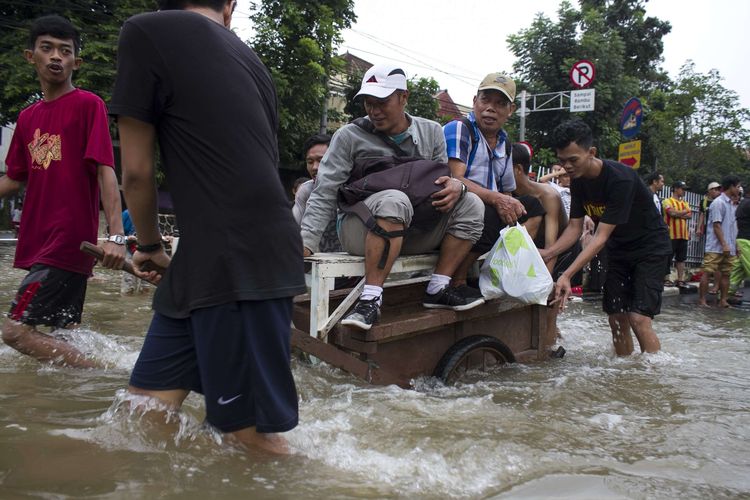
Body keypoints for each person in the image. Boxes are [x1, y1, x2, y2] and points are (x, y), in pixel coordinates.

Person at [110, 0, 305, 454]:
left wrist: (148, 244)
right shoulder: (251, 60)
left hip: (237, 255)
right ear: (231, 7)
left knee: (244, 434)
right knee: (145, 410)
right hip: (219, 253)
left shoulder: (145, 32)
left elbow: (136, 171)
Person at [301, 63, 486, 331]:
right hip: (360, 230)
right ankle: (370, 300)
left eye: (382, 102)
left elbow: (440, 180)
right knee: (394, 200)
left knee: (471, 202)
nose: (374, 111)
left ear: (403, 97)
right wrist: (306, 242)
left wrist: (456, 186)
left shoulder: (431, 131)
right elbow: (324, 190)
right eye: (368, 103)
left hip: (412, 229)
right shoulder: (348, 136)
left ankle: (438, 288)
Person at [0, 15, 125, 368]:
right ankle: (76, 401)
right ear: (31, 56)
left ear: (76, 62)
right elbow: (14, 178)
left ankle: (107, 375)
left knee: (15, 331)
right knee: (62, 336)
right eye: (47, 48)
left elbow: (106, 170)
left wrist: (116, 236)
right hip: (40, 242)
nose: (56, 56)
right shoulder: (27, 119)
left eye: (65, 51)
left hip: (67, 241)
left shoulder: (88, 105)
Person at [539, 120, 671, 356]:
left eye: (573, 160)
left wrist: (567, 274)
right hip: (619, 250)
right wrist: (549, 253)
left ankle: (651, 381)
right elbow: (574, 227)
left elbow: (600, 237)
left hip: (650, 249)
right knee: (616, 318)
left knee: (638, 318)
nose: (566, 167)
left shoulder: (621, 179)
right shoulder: (579, 181)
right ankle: (624, 372)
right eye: (562, 161)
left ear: (591, 153)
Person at [442, 72, 526, 289]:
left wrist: (510, 207)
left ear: (511, 110)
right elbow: (455, 178)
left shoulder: (504, 142)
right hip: (453, 205)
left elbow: (507, 189)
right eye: (485, 100)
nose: (490, 108)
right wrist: (498, 201)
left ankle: (496, 271)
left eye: (500, 103)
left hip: (484, 204)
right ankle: (456, 279)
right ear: (474, 102)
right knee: (488, 214)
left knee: (532, 209)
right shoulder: (460, 128)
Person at [511, 143, 579, 351]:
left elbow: (552, 247)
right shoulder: (507, 192)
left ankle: (547, 355)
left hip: (562, 249)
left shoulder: (548, 196)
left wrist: (545, 286)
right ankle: (554, 336)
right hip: (537, 249)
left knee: (549, 305)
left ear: (517, 170)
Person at [292, 134, 341, 252]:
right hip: (315, 263)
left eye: (321, 160)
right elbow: (291, 230)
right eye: (310, 161)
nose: (315, 167)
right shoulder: (305, 191)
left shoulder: (353, 189)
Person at [698, 175, 741, 307]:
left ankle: (723, 300)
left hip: (730, 246)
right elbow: (716, 225)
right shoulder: (718, 203)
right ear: (731, 187)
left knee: (726, 274)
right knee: (707, 271)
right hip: (716, 246)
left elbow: (734, 227)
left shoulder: (733, 205)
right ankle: (702, 300)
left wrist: (736, 245)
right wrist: (724, 244)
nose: (739, 189)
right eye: (737, 186)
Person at [662, 181, 692, 286]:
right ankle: (666, 279)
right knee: (667, 257)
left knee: (681, 258)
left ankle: (680, 280)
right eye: (682, 189)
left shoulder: (685, 202)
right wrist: (684, 212)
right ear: (675, 189)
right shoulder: (667, 201)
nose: (684, 191)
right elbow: (671, 212)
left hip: (683, 235)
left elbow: (690, 215)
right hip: (670, 234)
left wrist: (677, 214)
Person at [728, 186, 750, 300]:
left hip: (742, 239)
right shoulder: (748, 204)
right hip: (746, 241)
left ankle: (727, 293)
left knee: (738, 269)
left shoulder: (743, 203)